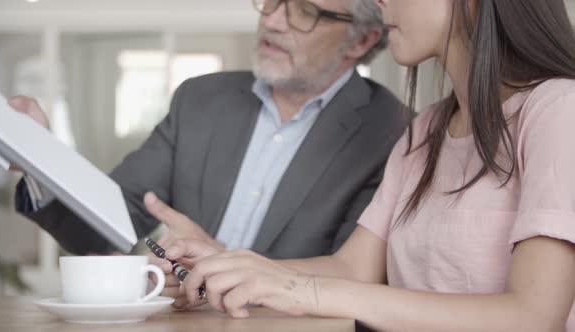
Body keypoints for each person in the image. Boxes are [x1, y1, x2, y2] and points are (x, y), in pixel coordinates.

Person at [155, 0, 575, 330]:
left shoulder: (558, 111)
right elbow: (353, 268)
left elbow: (533, 317)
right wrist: (231, 265)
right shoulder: (425, 130)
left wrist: (303, 291)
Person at [9, 0, 407, 259]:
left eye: (303, 10)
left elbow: (352, 287)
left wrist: (221, 264)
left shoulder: (394, 135)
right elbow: (110, 219)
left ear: (362, 40)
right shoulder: (200, 99)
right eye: (271, 1)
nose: (271, 20)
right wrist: (42, 157)